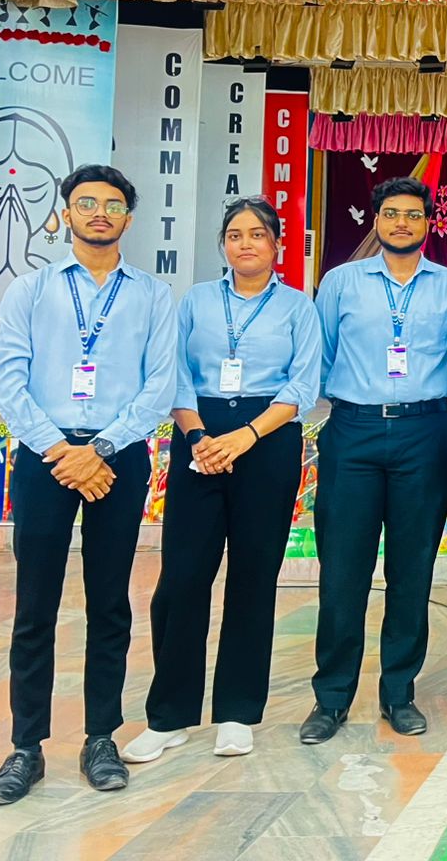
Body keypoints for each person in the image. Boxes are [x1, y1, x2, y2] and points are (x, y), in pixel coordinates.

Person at [0, 165, 177, 805]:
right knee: (34, 603)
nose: (100, 213)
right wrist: (60, 450)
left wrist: (100, 450)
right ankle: (25, 747)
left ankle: (101, 738)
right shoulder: (30, 289)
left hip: (118, 458)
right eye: (86, 203)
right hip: (47, 457)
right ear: (66, 214)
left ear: (128, 218)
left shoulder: (153, 295)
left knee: (110, 601)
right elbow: (8, 378)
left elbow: (160, 384)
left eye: (113, 205)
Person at [122, 197, 322, 765]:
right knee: (182, 580)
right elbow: (176, 373)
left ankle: (237, 713)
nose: (246, 243)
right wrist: (199, 437)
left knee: (253, 579)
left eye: (257, 234)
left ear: (277, 243)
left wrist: (245, 437)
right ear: (224, 244)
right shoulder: (197, 301)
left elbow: (302, 386)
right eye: (235, 234)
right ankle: (169, 717)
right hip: (200, 437)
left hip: (268, 438)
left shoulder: (298, 307)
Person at [302, 177, 447, 745]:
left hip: (425, 432)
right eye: (392, 213)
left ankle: (398, 693)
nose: (402, 223)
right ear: (376, 220)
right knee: (343, 570)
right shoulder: (340, 282)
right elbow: (321, 354)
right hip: (352, 430)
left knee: (412, 569)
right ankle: (331, 699)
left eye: (414, 215)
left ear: (429, 223)